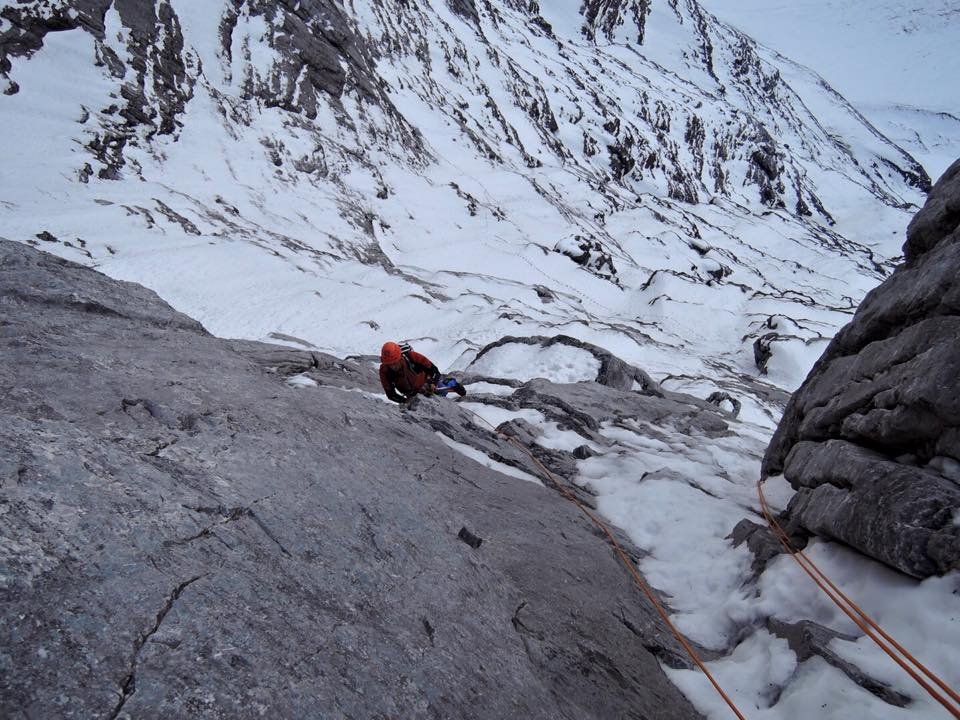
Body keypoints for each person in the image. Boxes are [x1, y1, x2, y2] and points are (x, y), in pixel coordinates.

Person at [379, 341, 466, 404]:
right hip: (411, 394)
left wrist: (433, 383)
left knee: (441, 392)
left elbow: (434, 371)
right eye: (389, 364)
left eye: (395, 363)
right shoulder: (384, 371)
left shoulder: (412, 357)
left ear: (400, 356)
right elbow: (390, 394)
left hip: (426, 384)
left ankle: (451, 383)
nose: (393, 366)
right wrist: (405, 401)